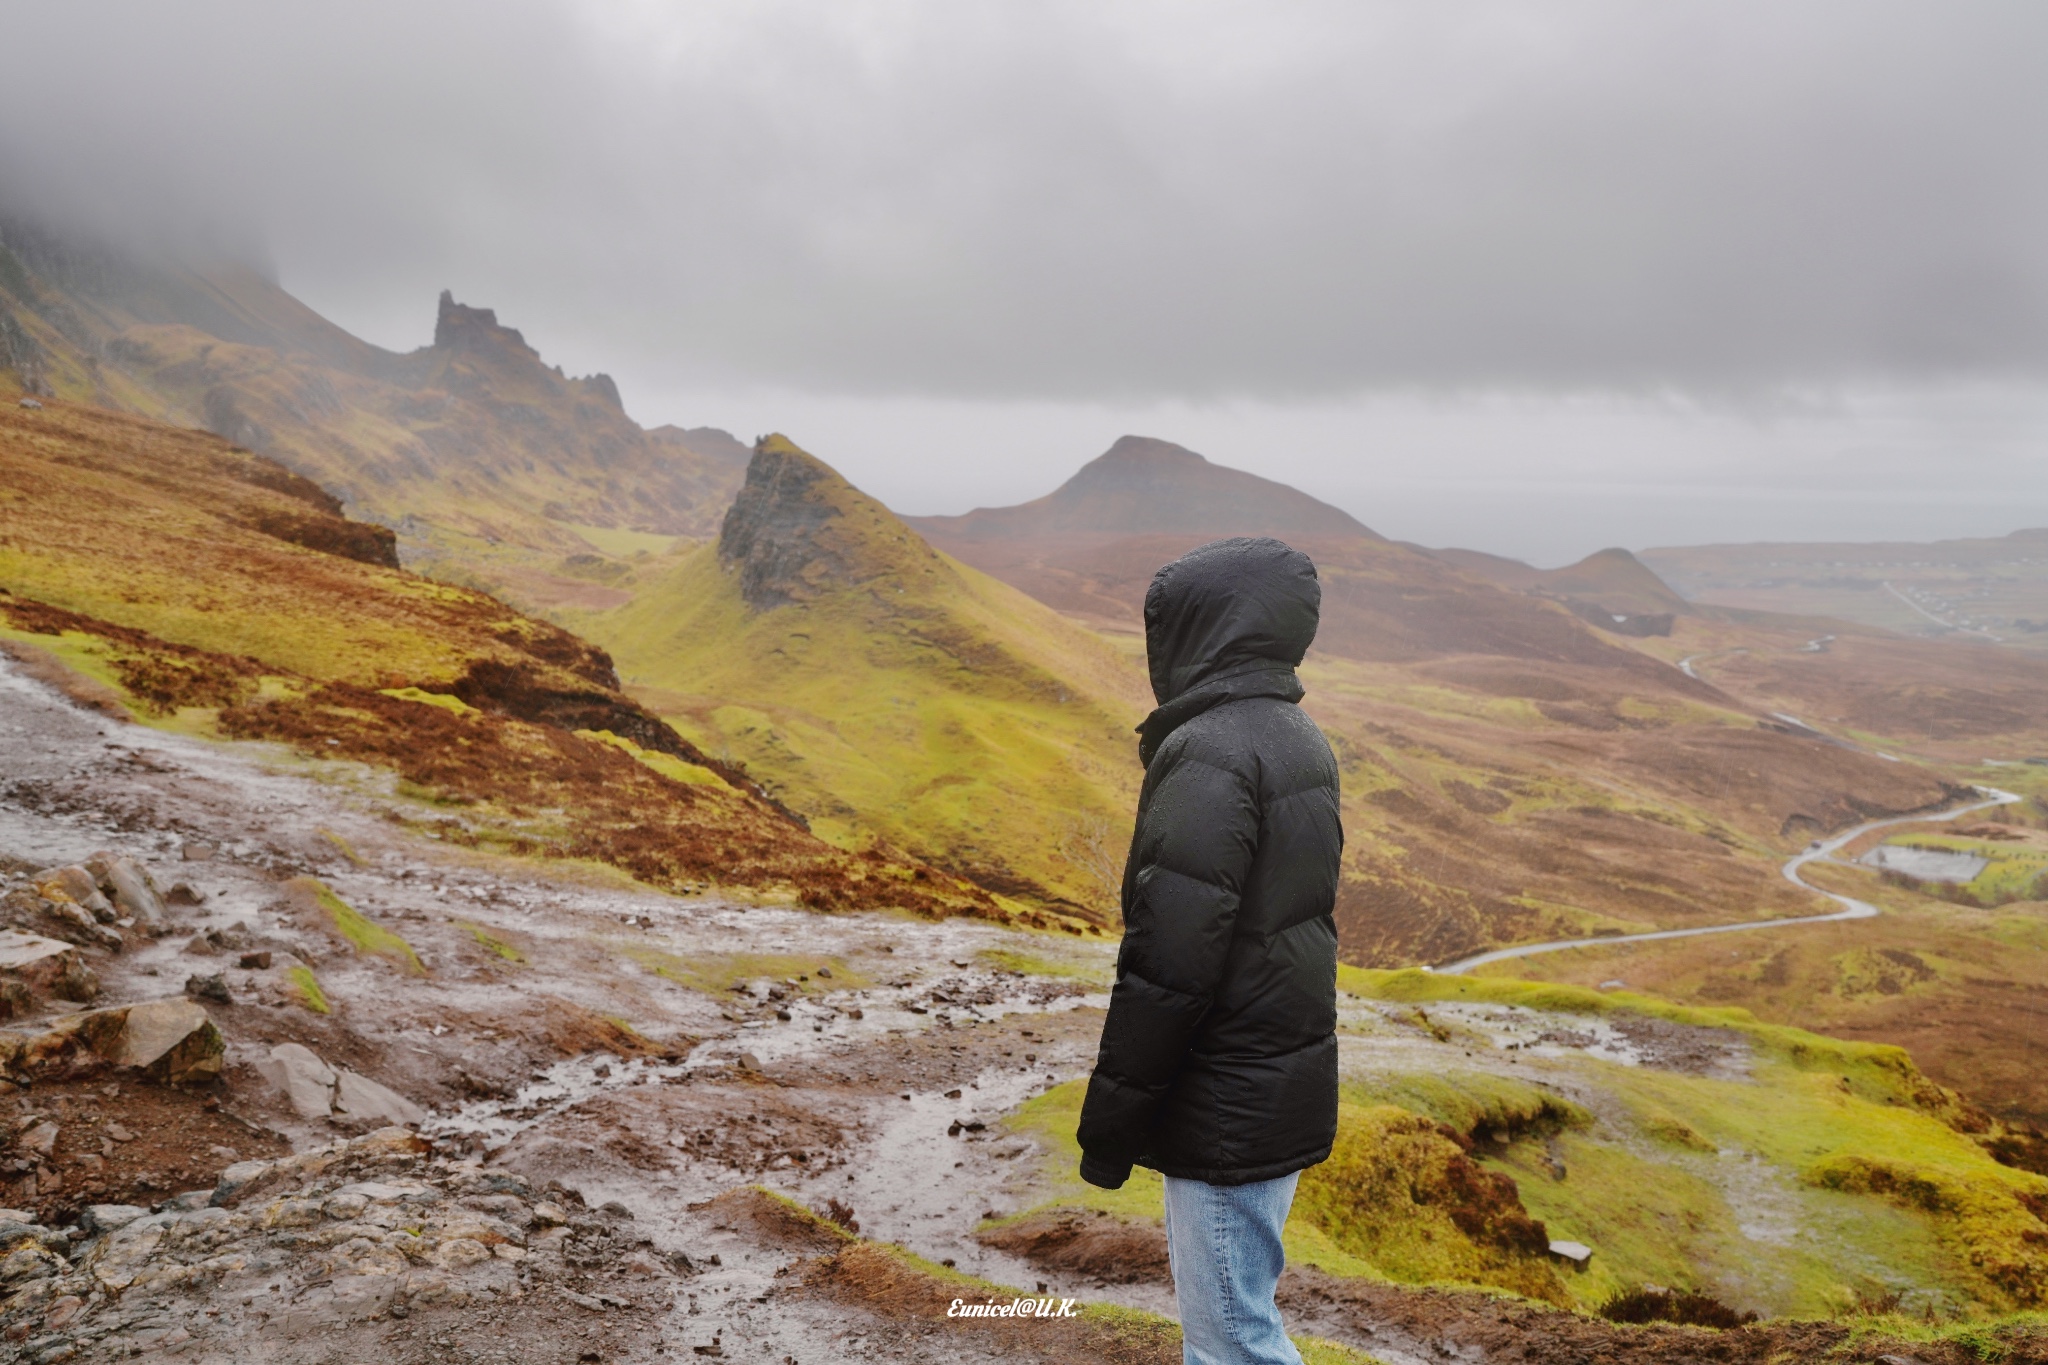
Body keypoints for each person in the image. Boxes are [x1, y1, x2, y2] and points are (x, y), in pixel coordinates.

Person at [1077, 536, 1343, 1365]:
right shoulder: (1295, 734)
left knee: (1232, 1341)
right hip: (1271, 1078)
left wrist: (1109, 1128)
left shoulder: (1210, 751)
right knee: (1239, 1320)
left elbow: (1171, 965)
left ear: (1200, 633)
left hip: (1225, 1100)